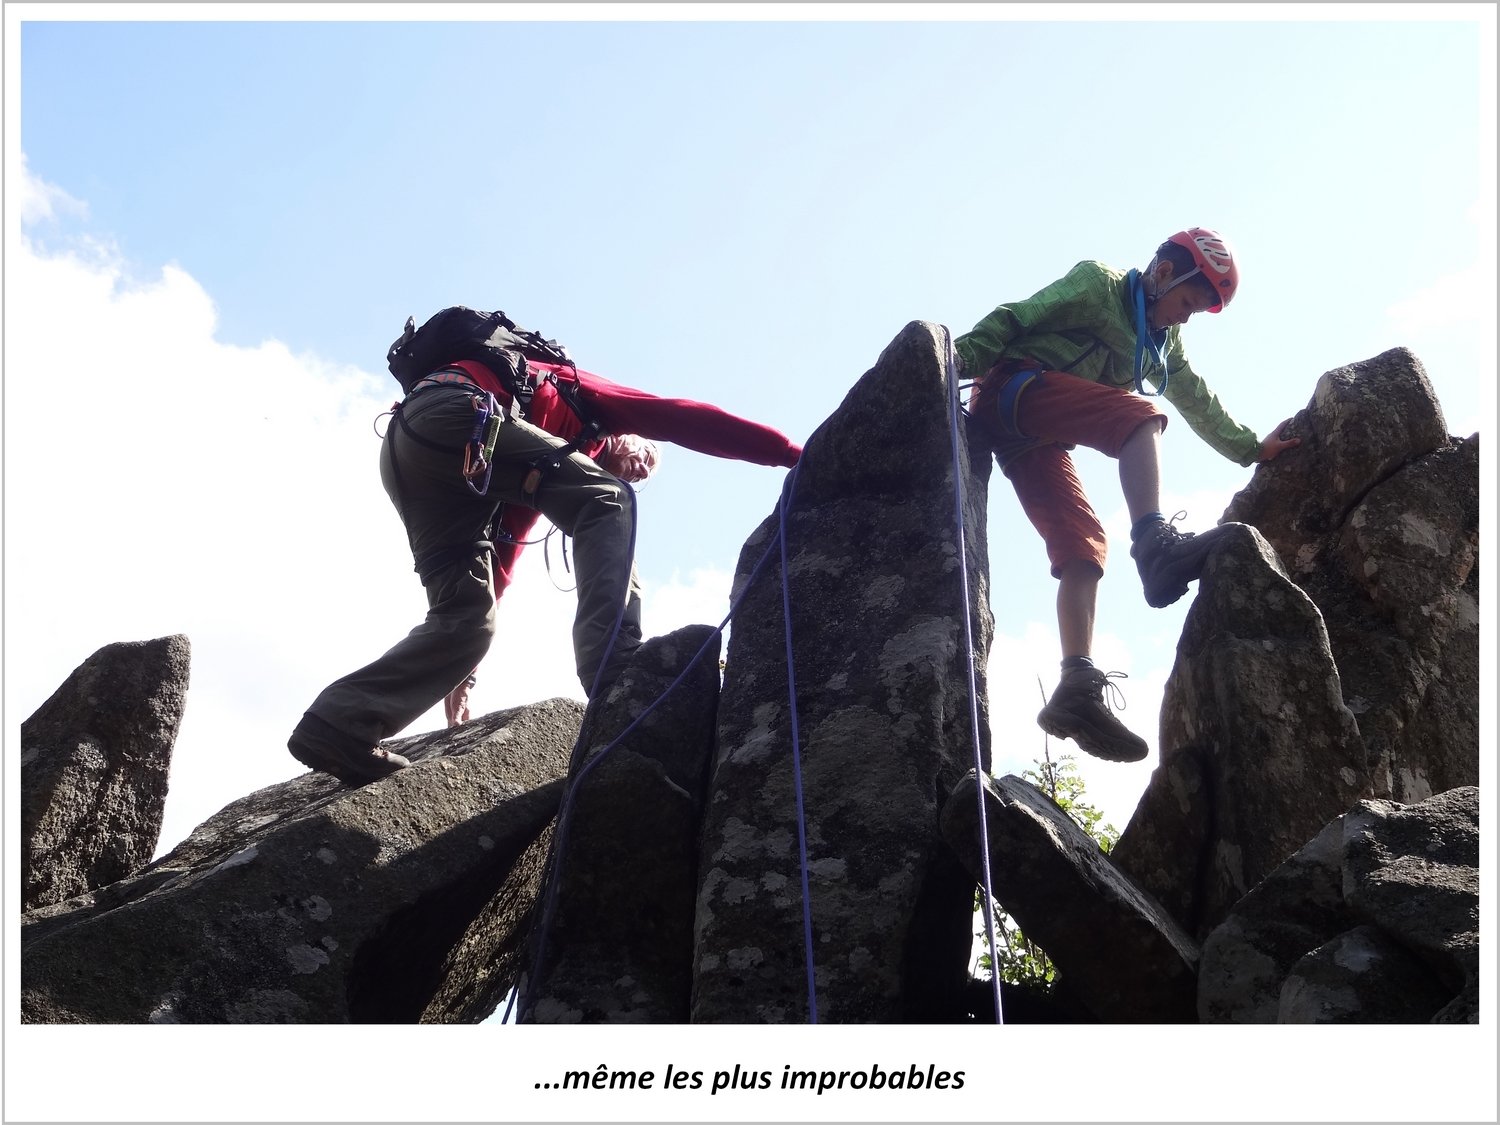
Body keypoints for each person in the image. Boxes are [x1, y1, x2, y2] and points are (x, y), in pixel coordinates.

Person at [288, 342, 802, 785]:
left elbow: (503, 556)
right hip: (459, 416)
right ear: (628, 435)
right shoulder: (590, 401)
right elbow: (686, 418)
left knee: (469, 619)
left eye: (647, 474)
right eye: (647, 456)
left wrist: (463, 676)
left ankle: (341, 725)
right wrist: (792, 454)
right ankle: (614, 668)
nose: (643, 469)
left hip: (415, 453)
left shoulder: (541, 467)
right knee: (610, 500)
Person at [955, 228, 1301, 764]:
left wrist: (1252, 449)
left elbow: (1198, 400)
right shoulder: (1099, 285)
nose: (1186, 317)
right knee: (1141, 419)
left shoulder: (1161, 346)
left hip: (1037, 438)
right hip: (1012, 390)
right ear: (1163, 273)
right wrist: (951, 363)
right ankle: (1154, 544)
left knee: (1083, 546)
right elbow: (1017, 316)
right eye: (1188, 302)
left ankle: (1075, 686)